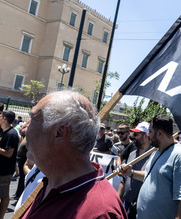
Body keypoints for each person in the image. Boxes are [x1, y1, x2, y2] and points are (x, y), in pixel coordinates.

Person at [22, 90, 127, 219]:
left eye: (32, 120)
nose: (23, 129)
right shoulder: (51, 183)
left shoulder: (100, 212)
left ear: (60, 133)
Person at [133, 114, 181, 219]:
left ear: (160, 133)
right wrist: (131, 173)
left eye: (150, 131)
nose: (147, 135)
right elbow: (151, 176)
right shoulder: (157, 151)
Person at [117, 122, 152, 219]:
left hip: (143, 207)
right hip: (127, 203)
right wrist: (117, 199)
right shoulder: (132, 154)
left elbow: (150, 177)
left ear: (145, 136)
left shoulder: (155, 156)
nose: (133, 136)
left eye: (136, 134)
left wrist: (131, 173)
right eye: (133, 134)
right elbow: (124, 180)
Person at [0, 110, 19, 219]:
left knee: (3, 195)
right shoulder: (2, 131)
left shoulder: (11, 134)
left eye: (0, 116)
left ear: (4, 119)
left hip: (5, 171)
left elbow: (8, 153)